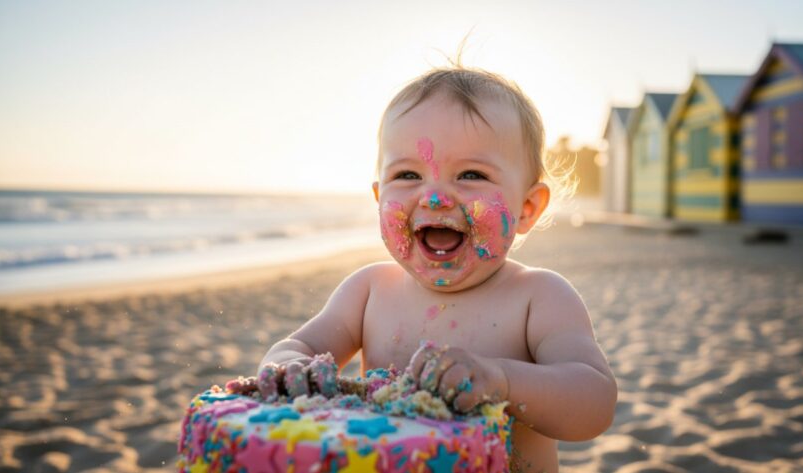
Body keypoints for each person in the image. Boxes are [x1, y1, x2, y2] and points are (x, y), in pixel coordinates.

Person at [253, 65, 616, 472]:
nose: (436, 197)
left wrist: (502, 381)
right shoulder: (368, 291)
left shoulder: (539, 297)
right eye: (407, 174)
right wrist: (287, 367)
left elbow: (595, 402)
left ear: (526, 208)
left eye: (471, 174)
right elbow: (293, 348)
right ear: (378, 196)